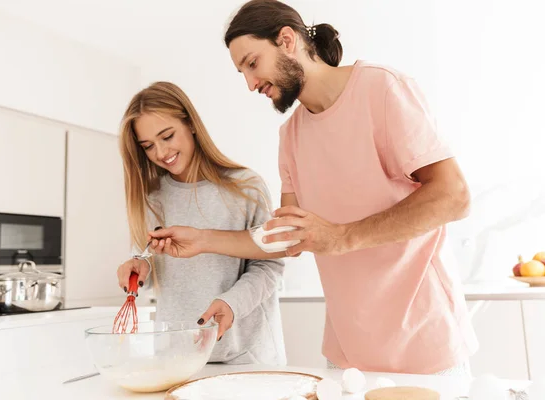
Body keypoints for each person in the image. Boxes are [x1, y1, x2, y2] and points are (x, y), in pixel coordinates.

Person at [149, 0, 479, 376]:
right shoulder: (290, 136)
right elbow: (287, 238)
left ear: (287, 40)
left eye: (252, 63)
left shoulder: (381, 88)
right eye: (241, 72)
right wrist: (202, 239)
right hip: (344, 354)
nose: (250, 83)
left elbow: (454, 196)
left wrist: (341, 237)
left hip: (423, 345)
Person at [115, 81, 286, 366]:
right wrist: (139, 266)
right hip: (177, 358)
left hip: (245, 358)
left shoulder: (245, 187)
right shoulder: (152, 198)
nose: (160, 152)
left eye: (167, 136)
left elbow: (270, 265)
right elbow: (149, 258)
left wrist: (232, 304)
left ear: (191, 124)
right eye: (148, 146)